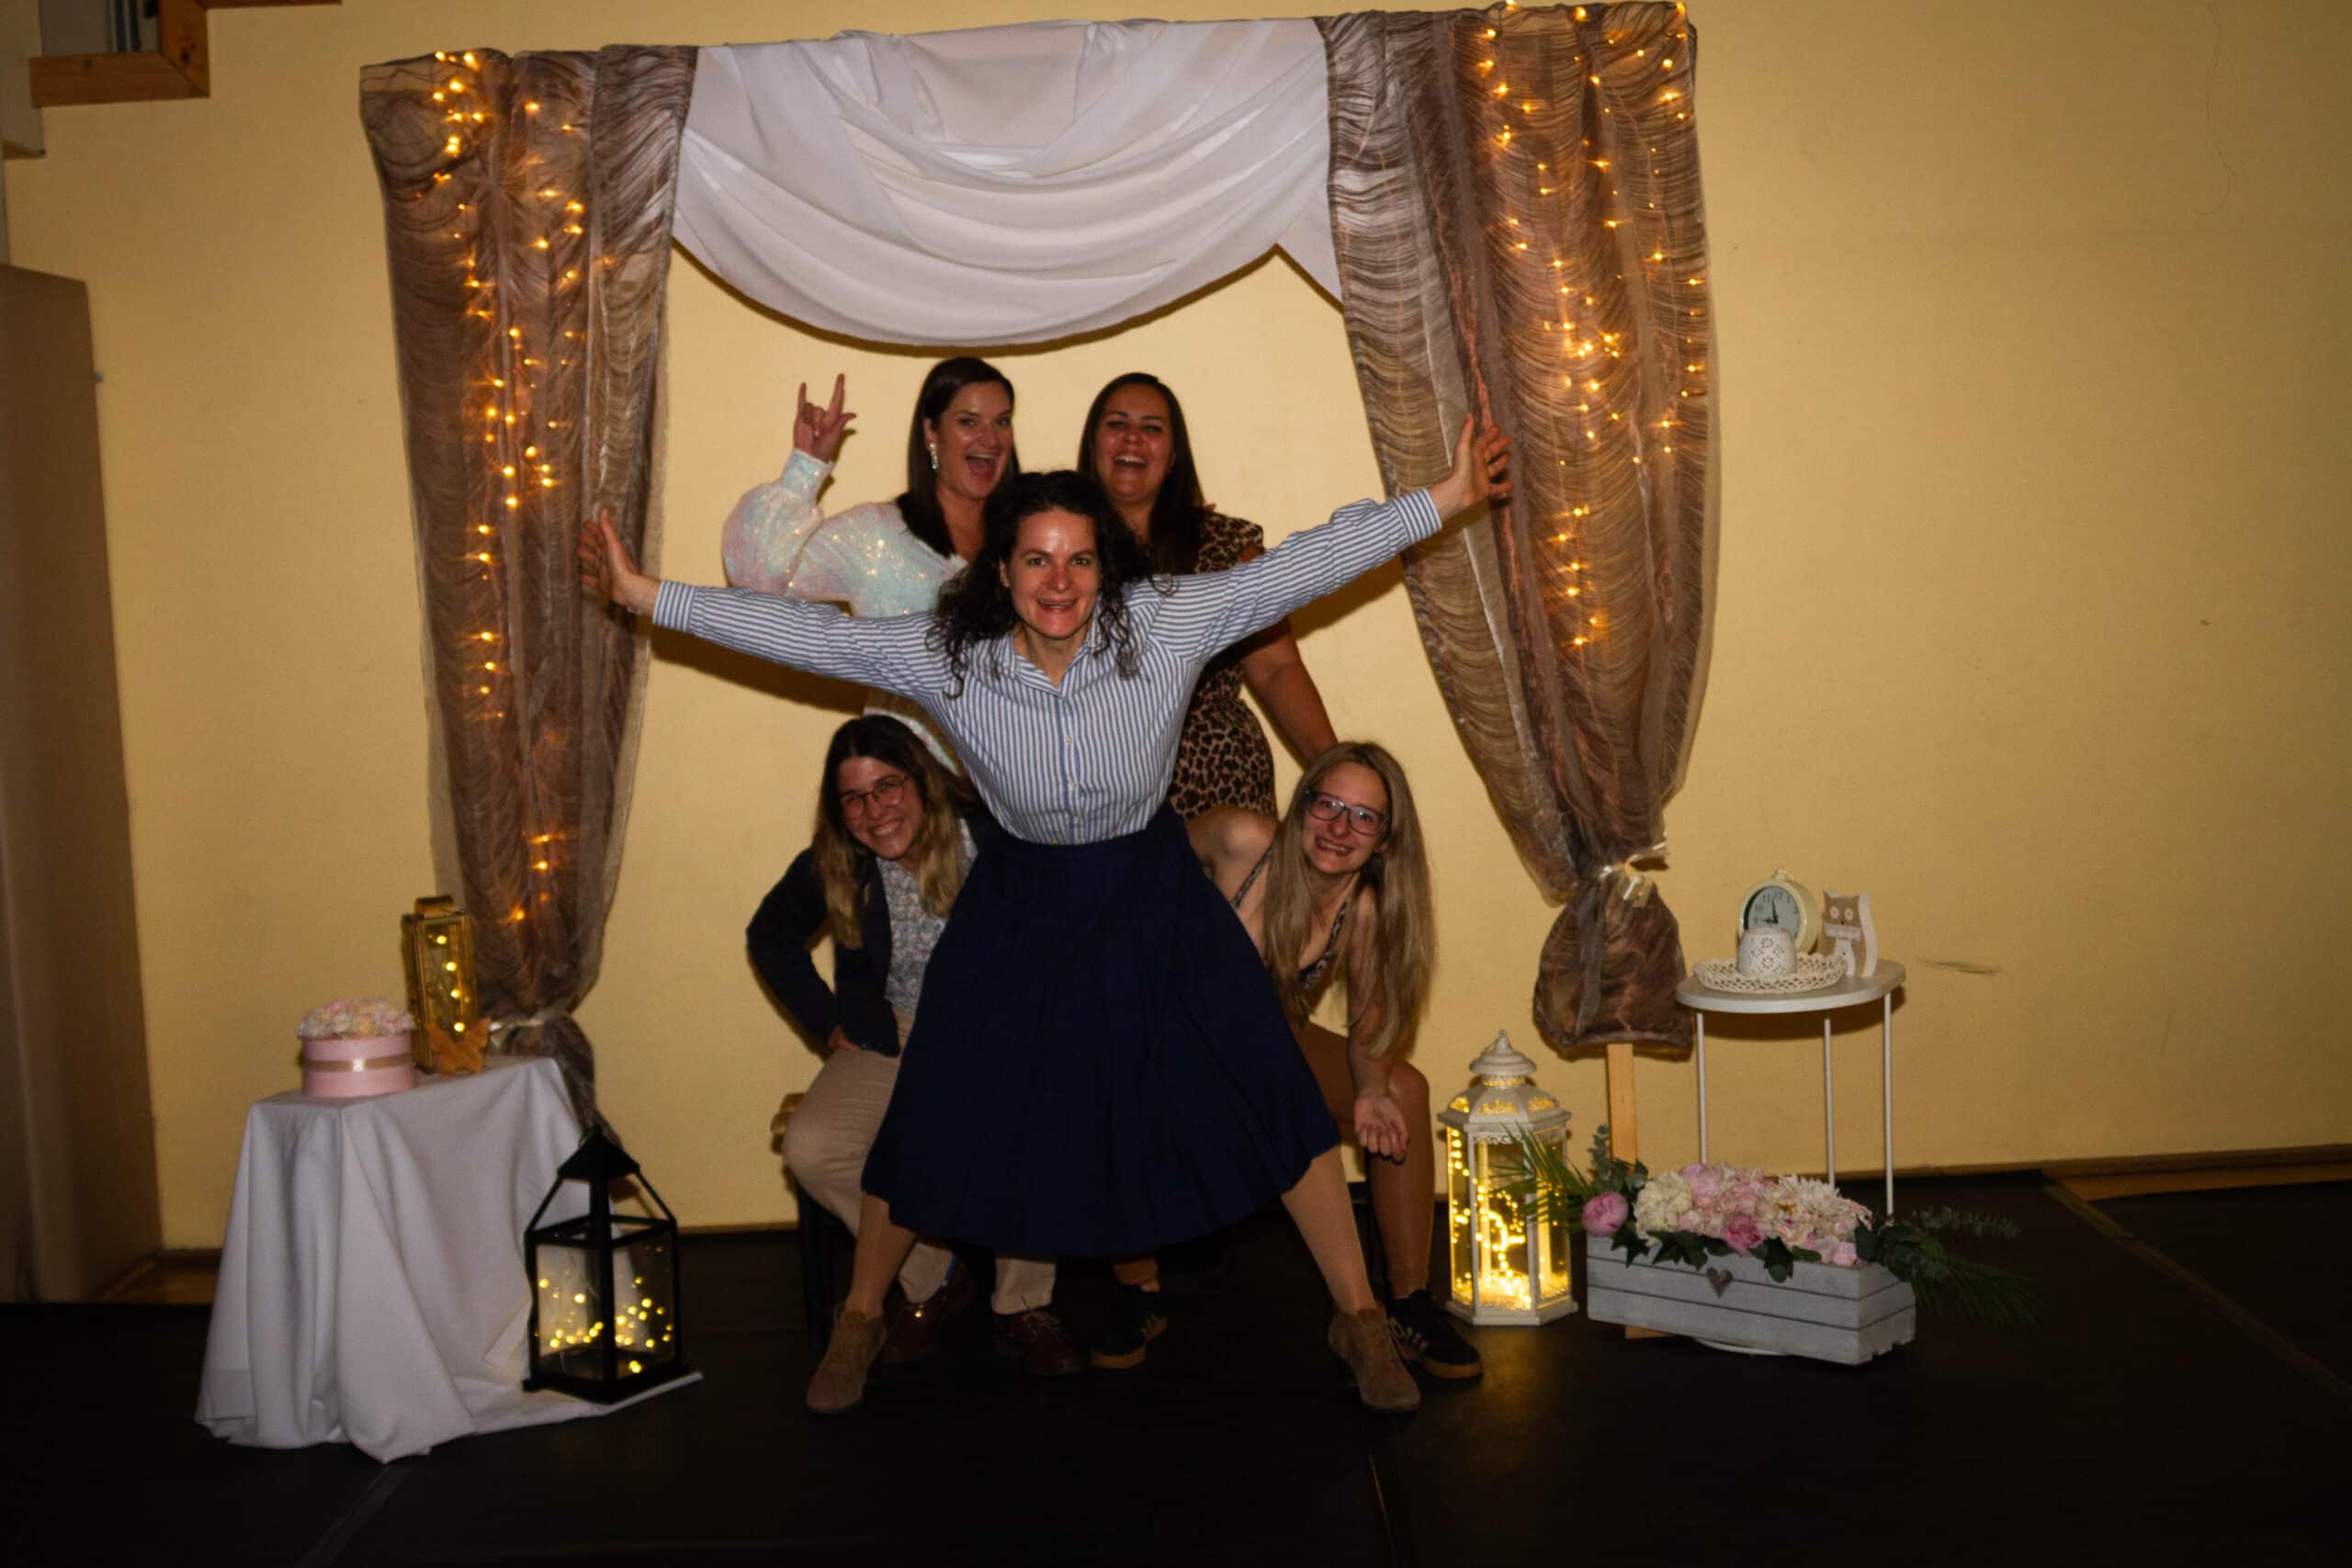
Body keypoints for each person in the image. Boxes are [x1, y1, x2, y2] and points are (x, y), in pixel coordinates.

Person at [580, 416, 1510, 1416]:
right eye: (1036, 559)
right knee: (934, 1102)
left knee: (1271, 1079)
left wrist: (1446, 498)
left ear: (1105, 565)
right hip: (1022, 897)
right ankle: (860, 1317)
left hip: (1148, 887)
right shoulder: (949, 654)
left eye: (1078, 558)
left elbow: (1304, 563)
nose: (1058, 581)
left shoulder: (1167, 620)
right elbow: (811, 636)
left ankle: (1360, 1318)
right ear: (1002, 569)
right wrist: (645, 595)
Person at [751, 716, 1080, 1376]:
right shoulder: (839, 860)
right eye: (854, 798)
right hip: (896, 1028)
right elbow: (770, 936)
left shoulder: (989, 835)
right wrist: (828, 1019)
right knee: (812, 1148)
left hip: (1000, 1030)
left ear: (921, 780)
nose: (875, 811)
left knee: (1025, 1120)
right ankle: (932, 1276)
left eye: (888, 786)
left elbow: (1064, 923)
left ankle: (1022, 1304)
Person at [1185, 742, 1482, 1380]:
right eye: (1328, 805)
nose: (1340, 828)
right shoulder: (1243, 840)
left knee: (1401, 1087)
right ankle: (1139, 1290)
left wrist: (1370, 1089)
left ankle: (1407, 1304)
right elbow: (1137, 862)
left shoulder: (1363, 907)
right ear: (1303, 804)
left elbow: (1370, 1022)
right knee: (1281, 1080)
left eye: (1364, 817)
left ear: (1385, 840)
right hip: (1177, 1037)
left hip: (1266, 1040)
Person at [722, 358, 1017, 752]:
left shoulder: (1028, 540)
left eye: (1002, 422)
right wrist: (804, 469)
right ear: (931, 433)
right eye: (969, 422)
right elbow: (755, 582)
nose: (991, 440)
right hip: (910, 779)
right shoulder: (877, 534)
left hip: (1014, 781)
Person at [1077, 372, 1333, 817]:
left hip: (1222, 787)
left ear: (1173, 456)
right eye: (1116, 424)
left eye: (1152, 428)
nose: (1132, 438)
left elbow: (1277, 670)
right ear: (1092, 444)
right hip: (1100, 789)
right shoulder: (1054, 549)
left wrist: (1337, 778)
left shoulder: (1226, 548)